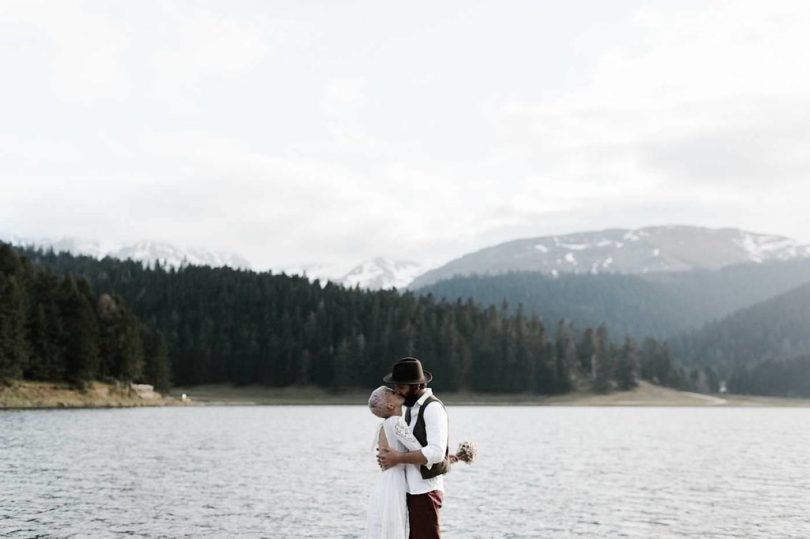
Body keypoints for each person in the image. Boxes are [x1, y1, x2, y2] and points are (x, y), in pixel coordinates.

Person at [377, 357, 451, 539]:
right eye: (396, 387)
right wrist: (387, 454)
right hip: (410, 488)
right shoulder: (411, 408)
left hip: (426, 490)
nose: (398, 392)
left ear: (417, 386)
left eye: (401, 387)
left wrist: (397, 458)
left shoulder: (433, 408)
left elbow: (436, 453)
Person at [366, 385, 424, 539]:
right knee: (396, 528)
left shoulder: (383, 425)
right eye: (392, 392)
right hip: (395, 480)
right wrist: (445, 458)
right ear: (390, 405)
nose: (397, 391)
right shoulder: (396, 422)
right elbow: (418, 450)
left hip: (386, 480)